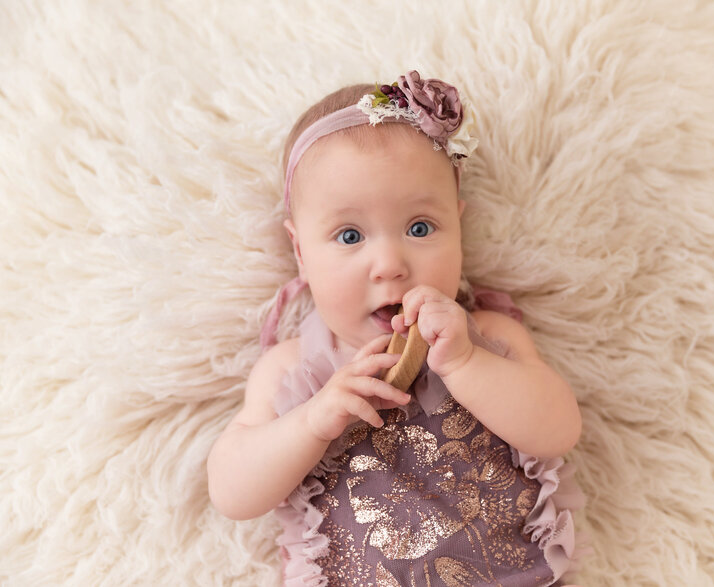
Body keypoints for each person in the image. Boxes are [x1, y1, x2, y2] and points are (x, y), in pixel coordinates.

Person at [207, 71, 584, 586]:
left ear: (458, 226)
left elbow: (558, 430)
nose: (389, 264)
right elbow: (232, 492)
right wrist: (313, 422)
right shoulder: (296, 370)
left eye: (420, 228)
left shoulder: (489, 338)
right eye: (349, 235)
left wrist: (468, 364)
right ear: (300, 251)